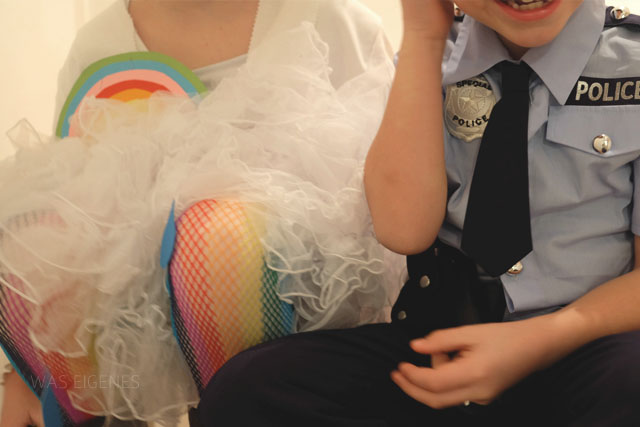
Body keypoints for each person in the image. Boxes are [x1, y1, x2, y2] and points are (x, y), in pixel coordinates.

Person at [193, 0, 640, 426]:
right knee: (248, 392)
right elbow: (403, 230)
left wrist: (543, 339)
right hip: (441, 348)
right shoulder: (434, 56)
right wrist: (425, 38)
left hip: (585, 348)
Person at [0, 0, 401, 425]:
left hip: (302, 359)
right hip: (134, 340)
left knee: (219, 242)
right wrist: (23, 375)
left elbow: (391, 202)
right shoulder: (98, 46)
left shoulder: (333, 22)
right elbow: (65, 231)